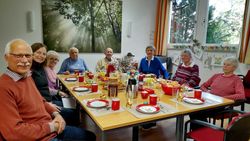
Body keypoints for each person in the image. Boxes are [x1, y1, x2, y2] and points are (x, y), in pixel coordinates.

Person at [0, 39, 96, 140]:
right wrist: (51, 126)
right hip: (41, 136)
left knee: (90, 136)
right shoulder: (4, 86)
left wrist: (56, 114)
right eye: (18, 56)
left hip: (49, 126)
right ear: (6, 57)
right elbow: (14, 133)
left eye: (28, 56)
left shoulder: (26, 76)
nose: (24, 60)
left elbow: (40, 100)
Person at [190, 57, 245, 130]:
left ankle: (202, 133)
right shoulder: (216, 76)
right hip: (209, 101)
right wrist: (207, 92)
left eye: (228, 65)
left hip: (221, 105)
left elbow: (241, 95)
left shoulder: (236, 79)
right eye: (224, 64)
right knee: (193, 110)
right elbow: (203, 86)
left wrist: (223, 98)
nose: (224, 66)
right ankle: (200, 133)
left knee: (197, 113)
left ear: (234, 68)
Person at [31, 43, 78, 126]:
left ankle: (71, 126)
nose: (54, 61)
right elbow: (40, 91)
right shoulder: (41, 70)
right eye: (51, 59)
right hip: (48, 101)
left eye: (43, 54)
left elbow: (49, 86)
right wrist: (58, 93)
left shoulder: (46, 69)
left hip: (49, 99)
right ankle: (70, 128)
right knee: (73, 109)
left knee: (73, 103)